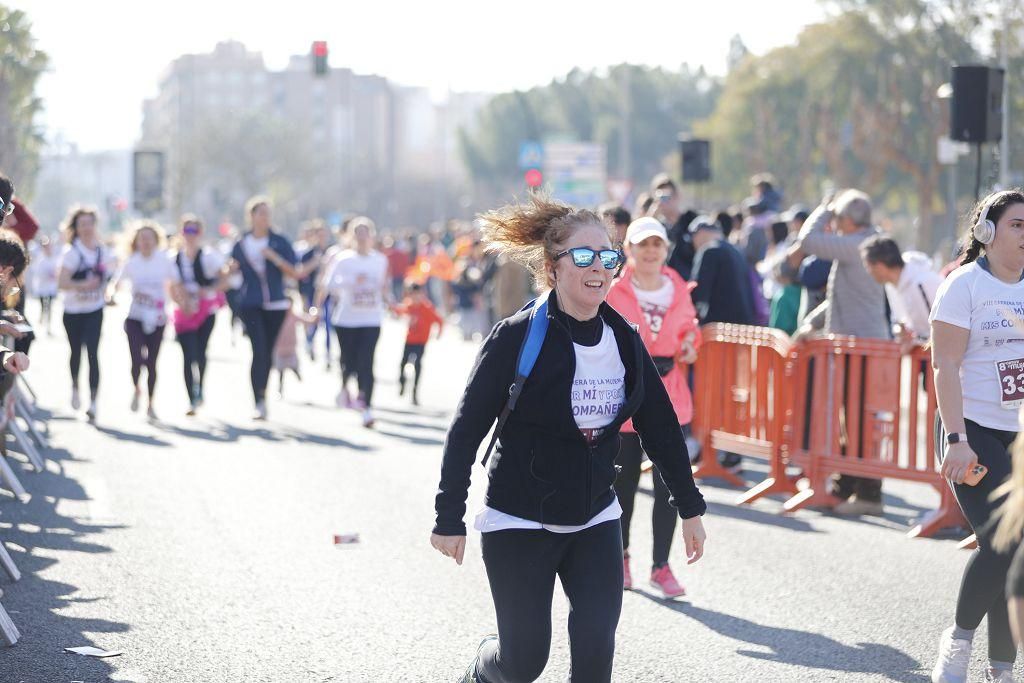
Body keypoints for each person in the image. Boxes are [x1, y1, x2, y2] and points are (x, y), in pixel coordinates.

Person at [431, 195, 707, 683]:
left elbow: (660, 426)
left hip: (594, 517)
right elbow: (467, 429)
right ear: (552, 268)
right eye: (583, 256)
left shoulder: (623, 339)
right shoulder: (516, 337)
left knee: (596, 654)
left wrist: (689, 507)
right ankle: (485, 667)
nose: (598, 266)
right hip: (518, 520)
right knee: (524, 663)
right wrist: (448, 515)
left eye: (607, 255)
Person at [929, 188, 1024, 683]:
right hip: (973, 432)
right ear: (988, 232)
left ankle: (1003, 668)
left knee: (1018, 551)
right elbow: (945, 364)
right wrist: (957, 437)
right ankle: (959, 642)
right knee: (1001, 543)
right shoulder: (964, 285)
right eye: (1017, 225)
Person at [605, 216, 700, 600]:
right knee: (623, 482)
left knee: (669, 485)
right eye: (642, 244)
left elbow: (689, 326)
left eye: (656, 244)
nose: (649, 251)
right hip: (628, 391)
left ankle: (661, 565)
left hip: (671, 393)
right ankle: (621, 557)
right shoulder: (614, 289)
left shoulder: (678, 287)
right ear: (628, 249)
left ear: (666, 250)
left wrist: (692, 341)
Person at [791, 189, 890, 515]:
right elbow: (842, 297)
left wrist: (823, 208)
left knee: (862, 419)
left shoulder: (857, 244)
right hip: (859, 345)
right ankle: (846, 485)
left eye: (836, 218)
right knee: (853, 417)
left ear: (846, 220)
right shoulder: (861, 243)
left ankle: (869, 494)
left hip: (864, 348)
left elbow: (808, 240)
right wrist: (812, 323)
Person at [229, 196, 311, 420]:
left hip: (276, 303)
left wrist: (274, 258)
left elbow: (295, 272)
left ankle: (263, 394)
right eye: (261, 213)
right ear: (251, 216)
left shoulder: (279, 241)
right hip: (251, 304)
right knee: (259, 349)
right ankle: (259, 399)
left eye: (268, 213)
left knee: (268, 352)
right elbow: (231, 271)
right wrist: (230, 269)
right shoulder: (242, 243)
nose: (265, 217)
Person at [316, 216, 389, 428]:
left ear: (372, 236)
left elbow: (384, 287)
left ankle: (367, 407)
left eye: (366, 233)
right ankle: (345, 385)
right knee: (348, 360)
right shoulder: (343, 259)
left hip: (371, 318)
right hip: (346, 319)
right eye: (358, 233)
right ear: (351, 236)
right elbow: (328, 284)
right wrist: (350, 282)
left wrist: (390, 300)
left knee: (367, 361)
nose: (363, 238)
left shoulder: (380, 260)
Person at [113, 221, 184, 420]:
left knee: (152, 363)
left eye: (149, 238)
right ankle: (137, 388)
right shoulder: (132, 261)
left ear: (156, 240)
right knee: (136, 360)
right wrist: (110, 295)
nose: (145, 242)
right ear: (136, 241)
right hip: (135, 317)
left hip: (158, 319)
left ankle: (151, 403)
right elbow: (116, 283)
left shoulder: (165, 260)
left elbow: (176, 285)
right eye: (141, 238)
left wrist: (183, 303)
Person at [57, 206, 116, 421]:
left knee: (93, 352)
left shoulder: (103, 251)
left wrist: (108, 292)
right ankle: (74, 386)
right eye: (82, 224)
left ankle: (93, 402)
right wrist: (83, 284)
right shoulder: (72, 252)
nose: (87, 228)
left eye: (90, 223)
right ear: (76, 227)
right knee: (76, 352)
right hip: (73, 311)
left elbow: (110, 278)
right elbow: (62, 283)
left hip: (94, 309)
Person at [172, 215, 226, 415]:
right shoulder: (175, 257)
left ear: (200, 233)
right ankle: (191, 399)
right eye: (187, 231)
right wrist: (181, 301)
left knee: (201, 352)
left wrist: (209, 290)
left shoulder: (209, 256)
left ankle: (200, 387)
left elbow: (225, 279)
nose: (190, 235)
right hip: (184, 310)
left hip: (206, 309)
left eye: (194, 231)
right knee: (188, 354)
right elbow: (170, 285)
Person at [860, 234, 943, 347]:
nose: (868, 272)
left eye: (868, 266)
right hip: (922, 356)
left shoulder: (923, 282)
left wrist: (916, 342)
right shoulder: (890, 285)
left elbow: (942, 328)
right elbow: (901, 322)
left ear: (879, 266)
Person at [688, 215, 755, 326]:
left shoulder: (709, 250)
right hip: (742, 328)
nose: (692, 242)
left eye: (692, 236)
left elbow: (697, 292)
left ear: (700, 233)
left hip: (718, 331)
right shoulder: (736, 251)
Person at [394, 282, 443, 406]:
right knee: (403, 363)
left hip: (421, 342)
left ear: (422, 294)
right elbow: (399, 312)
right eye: (413, 295)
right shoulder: (408, 305)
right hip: (409, 340)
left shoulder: (427, 308)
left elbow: (440, 320)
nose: (415, 297)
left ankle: (415, 393)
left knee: (417, 365)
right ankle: (402, 382)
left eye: (418, 295)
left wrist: (438, 334)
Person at [272, 290, 318, 397]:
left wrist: (315, 316)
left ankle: (298, 375)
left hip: (291, 347)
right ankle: (280, 389)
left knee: (294, 365)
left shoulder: (294, 316)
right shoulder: (277, 317)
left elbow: (307, 320)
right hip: (279, 347)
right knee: (280, 370)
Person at [28, 235, 60, 335]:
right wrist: (47, 275)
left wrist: (55, 275)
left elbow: (58, 270)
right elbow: (37, 272)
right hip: (42, 287)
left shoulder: (54, 258)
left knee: (50, 306)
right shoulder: (41, 259)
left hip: (51, 287)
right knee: (43, 306)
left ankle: (48, 326)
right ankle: (42, 318)